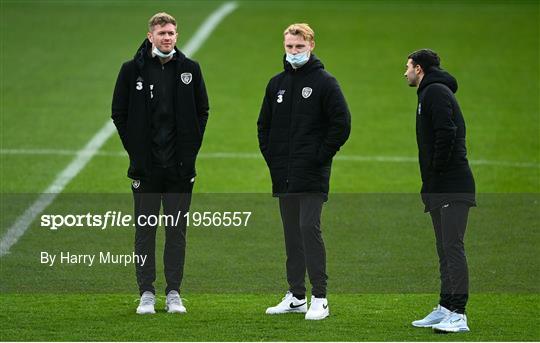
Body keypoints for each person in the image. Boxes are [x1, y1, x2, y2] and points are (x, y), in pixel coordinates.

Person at [111, 12, 209, 315]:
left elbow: (202, 111)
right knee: (145, 231)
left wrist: (189, 151)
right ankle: (147, 293)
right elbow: (119, 113)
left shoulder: (190, 69)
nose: (167, 37)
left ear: (176, 36)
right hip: (147, 170)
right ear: (150, 35)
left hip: (179, 171)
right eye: (162, 33)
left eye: (172, 33)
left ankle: (174, 292)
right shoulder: (132, 71)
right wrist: (137, 153)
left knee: (176, 231)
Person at [257, 23, 351, 321]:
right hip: (284, 174)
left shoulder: (325, 82)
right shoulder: (276, 84)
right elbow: (264, 125)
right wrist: (272, 158)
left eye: (299, 47)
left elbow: (342, 124)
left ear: (311, 45)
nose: (294, 52)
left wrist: (319, 157)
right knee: (291, 234)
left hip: (311, 174)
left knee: (309, 228)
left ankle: (320, 297)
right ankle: (297, 295)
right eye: (289, 47)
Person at [404, 49, 475, 332]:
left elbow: (448, 132)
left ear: (419, 68)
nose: (405, 72)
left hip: (452, 185)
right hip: (439, 186)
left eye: (408, 67)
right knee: (444, 249)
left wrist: (437, 171)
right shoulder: (429, 93)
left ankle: (458, 314)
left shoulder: (435, 92)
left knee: (453, 248)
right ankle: (446, 306)